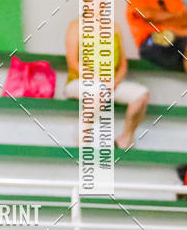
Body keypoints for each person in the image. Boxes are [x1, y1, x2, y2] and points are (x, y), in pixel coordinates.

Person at [64, 17, 149, 150]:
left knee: (141, 95)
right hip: (79, 82)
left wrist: (114, 82)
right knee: (98, 90)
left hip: (109, 83)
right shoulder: (75, 26)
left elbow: (123, 65)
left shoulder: (115, 28)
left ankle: (125, 139)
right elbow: (72, 62)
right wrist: (96, 78)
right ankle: (82, 140)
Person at [126, 0, 187, 73]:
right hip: (151, 42)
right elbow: (147, 14)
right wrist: (174, 19)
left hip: (177, 40)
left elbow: (184, 20)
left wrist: (161, 18)